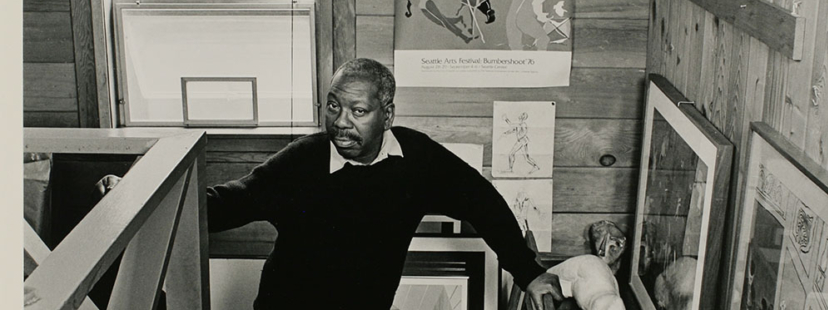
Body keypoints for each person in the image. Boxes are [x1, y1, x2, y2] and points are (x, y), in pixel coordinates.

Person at [98, 58, 562, 310]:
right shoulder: (304, 160)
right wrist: (144, 195)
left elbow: (481, 201)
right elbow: (228, 203)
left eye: (358, 111)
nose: (341, 123)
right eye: (333, 107)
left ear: (388, 115)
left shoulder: (417, 160)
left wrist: (529, 271)